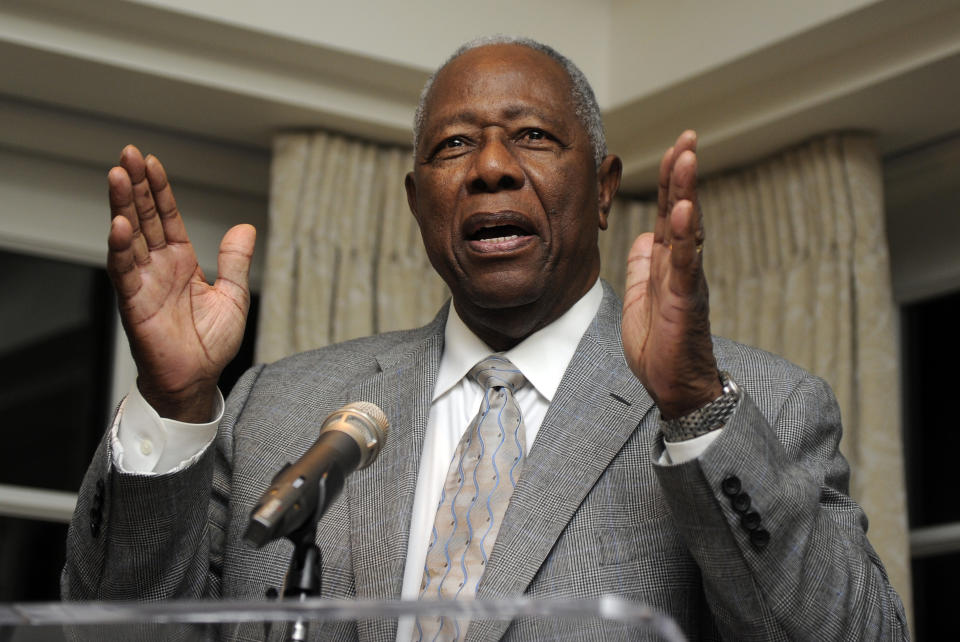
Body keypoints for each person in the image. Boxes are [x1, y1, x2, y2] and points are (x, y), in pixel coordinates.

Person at [63, 36, 908, 640]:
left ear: (606, 189)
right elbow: (107, 634)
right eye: (454, 144)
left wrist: (690, 411)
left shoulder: (757, 408)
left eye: (533, 137)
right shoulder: (279, 407)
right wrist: (174, 405)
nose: (491, 167)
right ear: (417, 199)